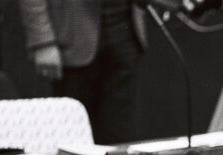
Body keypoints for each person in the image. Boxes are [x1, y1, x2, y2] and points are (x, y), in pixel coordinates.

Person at [16, 0, 147, 144]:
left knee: (119, 137)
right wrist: (42, 40)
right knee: (71, 138)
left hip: (125, 28)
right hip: (70, 35)